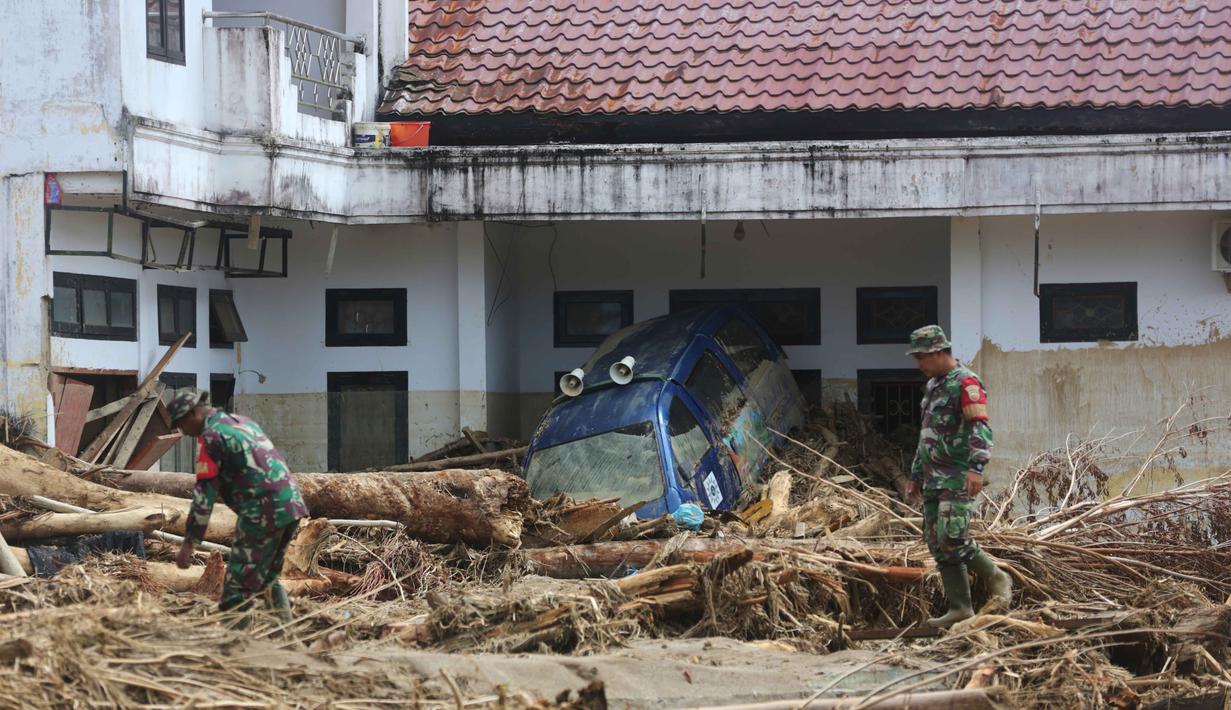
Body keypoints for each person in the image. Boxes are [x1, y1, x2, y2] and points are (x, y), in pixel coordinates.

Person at [168, 388, 308, 625]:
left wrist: (189, 543)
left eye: (181, 425)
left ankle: (234, 641)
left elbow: (204, 495)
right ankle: (285, 635)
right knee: (266, 577)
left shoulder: (211, 437)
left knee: (237, 586)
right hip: (291, 505)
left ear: (192, 414)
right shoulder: (243, 422)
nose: (183, 432)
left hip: (262, 512)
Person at [905, 325, 1012, 627]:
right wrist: (915, 475)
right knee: (936, 543)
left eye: (921, 357)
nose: (919, 365)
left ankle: (996, 576)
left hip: (956, 476)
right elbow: (926, 435)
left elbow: (980, 428)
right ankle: (961, 608)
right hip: (932, 478)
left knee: (953, 538)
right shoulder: (933, 386)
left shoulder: (966, 382)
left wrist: (976, 469)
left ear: (939, 352)